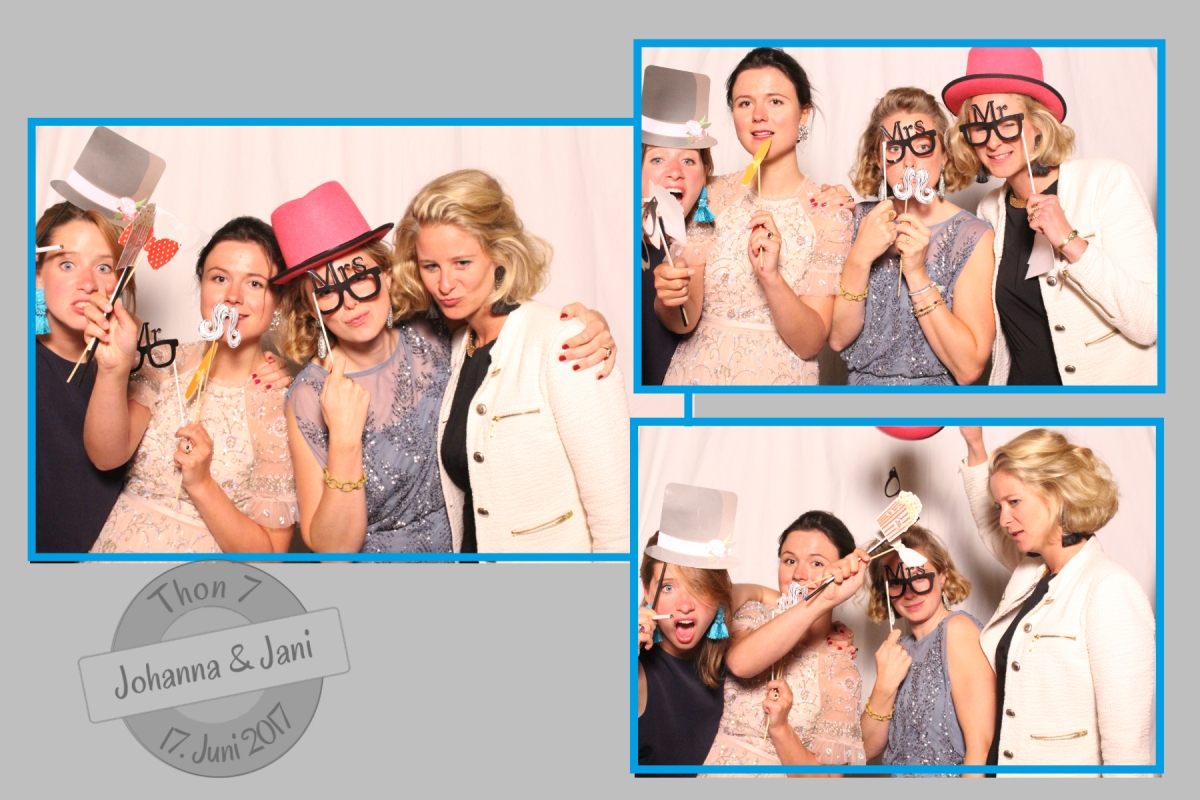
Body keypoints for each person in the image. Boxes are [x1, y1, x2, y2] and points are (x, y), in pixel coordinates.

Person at [275, 181, 618, 554]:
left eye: (360, 279)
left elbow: (513, 323)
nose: (351, 303)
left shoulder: (438, 333)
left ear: (387, 275)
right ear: (309, 306)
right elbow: (332, 552)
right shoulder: (309, 396)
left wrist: (585, 324)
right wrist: (343, 440)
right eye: (326, 292)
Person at [392, 170, 627, 553]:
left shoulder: (566, 342)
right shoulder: (454, 346)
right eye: (430, 266)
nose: (445, 284)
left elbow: (616, 520)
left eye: (462, 263)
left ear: (500, 254)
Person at [942, 47, 1157, 385]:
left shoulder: (1105, 182)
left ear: (1038, 125)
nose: (993, 142)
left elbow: (1150, 324)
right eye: (979, 128)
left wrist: (1071, 242)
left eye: (1007, 124)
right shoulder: (989, 210)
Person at [82, 217, 296, 553]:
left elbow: (270, 555)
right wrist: (112, 370)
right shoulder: (163, 361)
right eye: (219, 278)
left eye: (255, 284)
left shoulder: (282, 402)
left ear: (280, 299)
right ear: (202, 284)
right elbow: (106, 457)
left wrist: (203, 485)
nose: (233, 296)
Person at [957, 426, 1154, 766]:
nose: (1003, 519)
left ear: (1058, 494)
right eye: (999, 505)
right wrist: (975, 445)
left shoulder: (1109, 588)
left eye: (1014, 502)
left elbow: (1128, 748)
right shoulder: (1029, 574)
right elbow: (989, 526)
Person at [659, 47, 855, 386]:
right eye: (745, 103)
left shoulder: (829, 212)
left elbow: (810, 343)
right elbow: (683, 321)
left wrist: (771, 278)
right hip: (695, 380)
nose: (758, 115)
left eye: (775, 101)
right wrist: (669, 297)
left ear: (803, 114)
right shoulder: (708, 196)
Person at [35, 127, 165, 552]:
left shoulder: (134, 367)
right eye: (67, 264)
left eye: (104, 267)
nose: (88, 283)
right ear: (37, 274)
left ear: (121, 280)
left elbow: (107, 460)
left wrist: (114, 369)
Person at [830, 87, 995, 385]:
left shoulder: (974, 236)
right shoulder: (852, 221)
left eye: (922, 146)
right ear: (878, 159)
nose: (908, 162)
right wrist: (860, 256)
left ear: (944, 156)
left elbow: (969, 369)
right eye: (894, 149)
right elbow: (837, 339)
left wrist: (917, 274)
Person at [704, 511, 869, 772]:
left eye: (816, 563)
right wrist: (761, 592)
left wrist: (781, 730)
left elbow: (826, 781)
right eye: (789, 560)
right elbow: (740, 663)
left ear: (843, 573)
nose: (799, 574)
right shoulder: (754, 614)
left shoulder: (840, 668)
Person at [860, 524, 995, 774]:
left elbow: (980, 748)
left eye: (919, 578)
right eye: (897, 583)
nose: (910, 593)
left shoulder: (958, 631)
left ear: (942, 575)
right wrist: (884, 686)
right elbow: (865, 750)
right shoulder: (899, 650)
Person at [637, 484, 739, 774]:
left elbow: (752, 592)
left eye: (698, 587)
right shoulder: (639, 668)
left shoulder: (730, 653)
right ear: (647, 592)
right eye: (668, 587)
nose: (684, 605)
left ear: (719, 595)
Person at [640, 64, 716, 386]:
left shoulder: (706, 236)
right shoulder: (612, 240)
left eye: (688, 160)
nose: (674, 171)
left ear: (705, 173)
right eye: (657, 159)